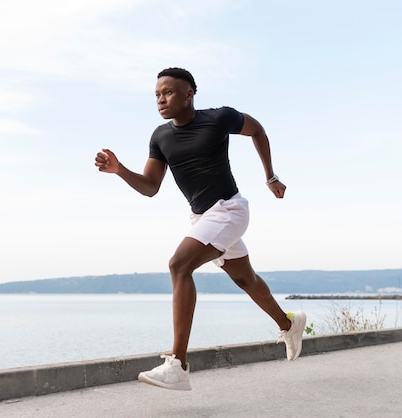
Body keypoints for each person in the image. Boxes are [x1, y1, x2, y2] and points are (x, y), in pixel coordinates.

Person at [94, 67, 306, 391]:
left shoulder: (218, 118)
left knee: (179, 265)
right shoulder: (160, 137)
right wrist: (120, 170)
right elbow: (151, 186)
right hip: (203, 217)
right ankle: (289, 325)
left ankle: (178, 364)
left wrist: (271, 176)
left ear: (188, 94)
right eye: (157, 95)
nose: (161, 100)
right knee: (244, 278)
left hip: (229, 209)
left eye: (167, 93)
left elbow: (258, 130)